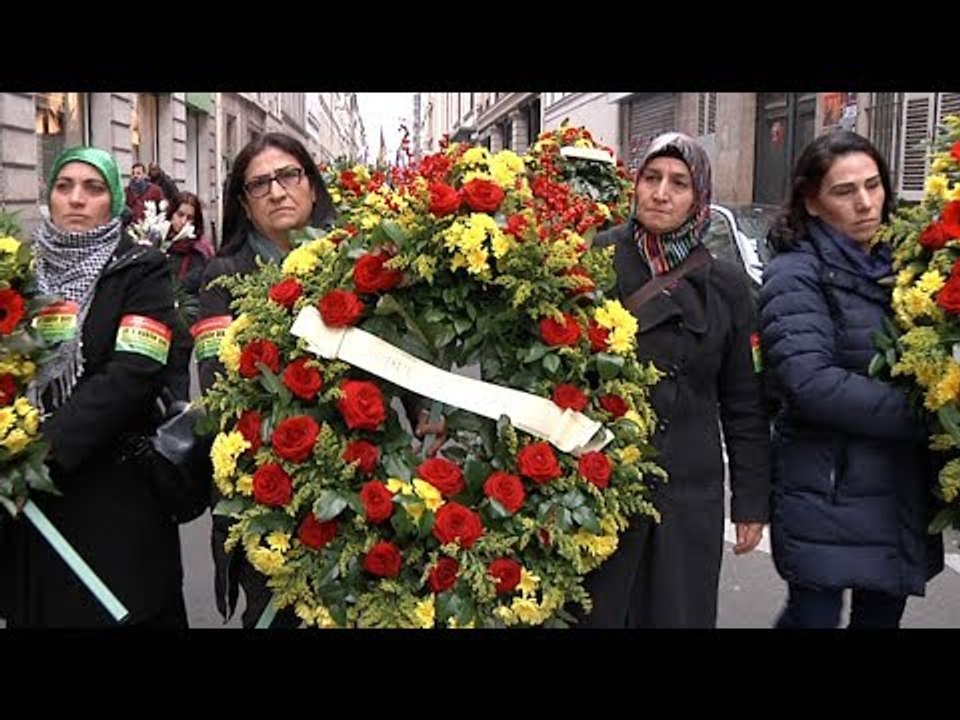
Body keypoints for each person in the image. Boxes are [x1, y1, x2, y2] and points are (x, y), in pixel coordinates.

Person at [584, 132, 770, 628]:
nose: (661, 193)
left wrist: (749, 501)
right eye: (651, 178)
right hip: (601, 489)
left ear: (698, 197)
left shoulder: (727, 286)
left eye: (679, 183)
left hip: (689, 492)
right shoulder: (594, 261)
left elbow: (744, 401)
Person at [761, 130, 944, 628]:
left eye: (873, 185)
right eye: (845, 191)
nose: (866, 203)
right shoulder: (796, 274)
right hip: (827, 486)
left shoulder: (908, 265)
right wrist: (928, 413)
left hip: (899, 487)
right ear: (812, 203)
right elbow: (810, 382)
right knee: (812, 618)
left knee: (881, 619)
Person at [0, 147, 185, 627]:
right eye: (64, 187)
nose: (77, 199)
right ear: (49, 198)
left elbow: (132, 375)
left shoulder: (142, 268)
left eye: (93, 188)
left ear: (115, 200)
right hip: (31, 512)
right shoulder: (20, 270)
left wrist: (36, 453)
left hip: (112, 500)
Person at [198, 132, 335, 628]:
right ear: (244, 203)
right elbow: (219, 390)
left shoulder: (354, 262)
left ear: (312, 186)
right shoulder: (221, 279)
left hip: (358, 494)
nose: (277, 192)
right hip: (268, 496)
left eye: (288, 176)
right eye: (260, 184)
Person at [165, 191, 215, 296]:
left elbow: (192, 282)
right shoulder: (160, 241)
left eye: (189, 218)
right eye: (180, 215)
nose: (183, 222)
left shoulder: (199, 249)